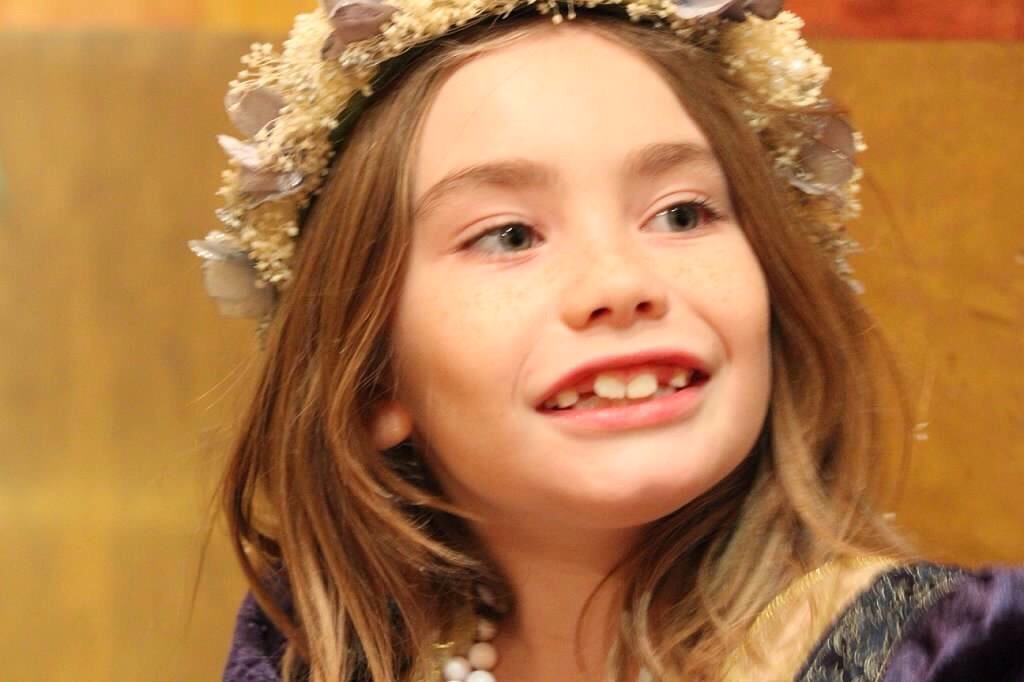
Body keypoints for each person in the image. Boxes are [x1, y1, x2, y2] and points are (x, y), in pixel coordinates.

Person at [189, 0, 1024, 680]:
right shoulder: (329, 654)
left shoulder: (942, 657)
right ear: (375, 381)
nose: (620, 284)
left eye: (682, 214)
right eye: (509, 235)